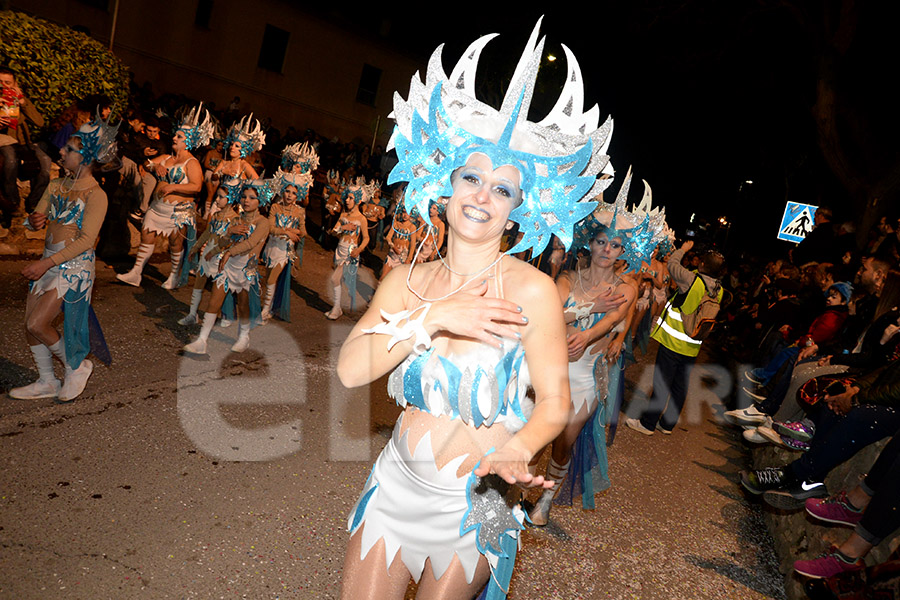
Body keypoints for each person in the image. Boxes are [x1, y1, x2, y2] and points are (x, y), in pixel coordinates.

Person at [336, 20, 613, 599]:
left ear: (518, 209)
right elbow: (351, 370)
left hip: (477, 500)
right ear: (447, 184)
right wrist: (431, 318)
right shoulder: (404, 282)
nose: (483, 196)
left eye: (503, 189)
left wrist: (517, 447)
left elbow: (556, 402)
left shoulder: (533, 289)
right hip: (393, 491)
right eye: (472, 177)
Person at [530, 170, 666, 526]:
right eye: (602, 241)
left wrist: (592, 334)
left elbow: (611, 321)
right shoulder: (567, 278)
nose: (607, 250)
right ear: (589, 243)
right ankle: (513, 491)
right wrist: (588, 309)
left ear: (625, 250)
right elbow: (552, 315)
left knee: (564, 442)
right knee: (530, 437)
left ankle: (545, 500)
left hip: (584, 379)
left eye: (616, 245)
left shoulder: (627, 286)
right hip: (547, 373)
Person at [9, 112, 118, 401]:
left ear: (85, 157)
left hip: (73, 267)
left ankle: (77, 365)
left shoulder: (97, 195)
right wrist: (33, 221)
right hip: (48, 262)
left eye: (69, 149)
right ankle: (46, 381)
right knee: (30, 324)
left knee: (37, 324)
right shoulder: (57, 185)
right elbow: (38, 216)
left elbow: (85, 241)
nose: (61, 151)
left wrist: (45, 263)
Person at [625, 239, 725, 435]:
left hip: (674, 342)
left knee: (663, 382)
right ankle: (667, 424)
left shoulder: (692, 280)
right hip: (693, 345)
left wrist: (684, 249)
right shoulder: (718, 290)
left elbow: (672, 265)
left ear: (702, 264)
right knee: (680, 385)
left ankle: (647, 424)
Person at [116, 105, 210, 289]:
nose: (174, 138)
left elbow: (197, 186)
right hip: (157, 208)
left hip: (177, 211)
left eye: (179, 137)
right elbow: (147, 163)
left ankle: (174, 275)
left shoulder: (192, 163)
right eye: (175, 135)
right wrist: (154, 167)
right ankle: (136, 273)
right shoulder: (166, 157)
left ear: (188, 141)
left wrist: (173, 186)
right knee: (146, 236)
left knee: (175, 243)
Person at [183, 179, 272, 354]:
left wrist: (231, 252)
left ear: (260, 201)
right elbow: (224, 242)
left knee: (242, 305)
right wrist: (228, 234)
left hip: (247, 268)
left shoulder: (263, 223)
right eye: (244, 196)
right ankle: (202, 340)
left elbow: (251, 243)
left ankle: (244, 337)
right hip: (228, 265)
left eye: (252, 197)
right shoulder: (236, 219)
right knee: (214, 301)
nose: (246, 200)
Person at [176, 179, 242, 326]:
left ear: (230, 199)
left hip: (220, 257)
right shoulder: (217, 216)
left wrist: (214, 251)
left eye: (220, 197)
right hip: (207, 254)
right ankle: (192, 314)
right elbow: (207, 232)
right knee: (198, 284)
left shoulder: (236, 220)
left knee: (219, 289)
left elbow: (230, 242)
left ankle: (224, 316)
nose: (216, 199)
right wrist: (196, 247)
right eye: (217, 196)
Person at [0, 66, 52, 229]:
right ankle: (13, 203)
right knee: (10, 161)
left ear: (15, 84)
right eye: (0, 82)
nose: (3, 86)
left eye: (8, 83)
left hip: (22, 143)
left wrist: (22, 101)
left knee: (45, 161)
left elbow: (40, 122)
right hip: (3, 141)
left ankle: (35, 204)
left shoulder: (19, 100)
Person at [260, 169, 312, 322]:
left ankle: (265, 310)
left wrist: (292, 231)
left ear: (298, 195)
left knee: (271, 280)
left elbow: (303, 232)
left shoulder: (299, 211)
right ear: (282, 192)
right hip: (271, 248)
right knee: (268, 279)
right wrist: (287, 232)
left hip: (285, 251)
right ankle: (269, 308)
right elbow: (270, 228)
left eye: (293, 193)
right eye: (287, 191)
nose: (289, 195)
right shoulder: (275, 207)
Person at [325, 178, 371, 320]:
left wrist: (359, 250)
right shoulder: (343, 215)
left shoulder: (362, 218)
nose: (347, 200)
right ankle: (337, 308)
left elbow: (366, 238)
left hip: (351, 252)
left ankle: (336, 308)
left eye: (351, 198)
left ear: (357, 200)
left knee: (334, 279)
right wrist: (342, 227)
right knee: (337, 280)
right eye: (347, 197)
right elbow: (332, 232)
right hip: (339, 250)